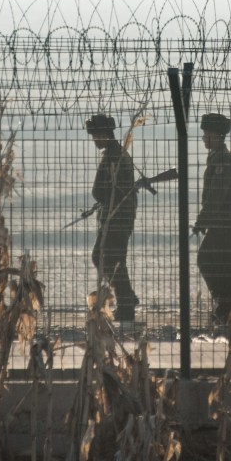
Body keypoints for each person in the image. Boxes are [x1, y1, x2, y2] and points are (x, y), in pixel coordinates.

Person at [193, 113, 231, 326]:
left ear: (216, 135)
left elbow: (217, 195)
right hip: (224, 221)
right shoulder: (221, 156)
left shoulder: (222, 158)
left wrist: (202, 221)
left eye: (206, 134)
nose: (204, 138)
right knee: (225, 265)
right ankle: (230, 308)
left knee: (208, 260)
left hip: (224, 221)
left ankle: (226, 306)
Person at [87, 113, 139, 322]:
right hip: (113, 216)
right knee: (107, 258)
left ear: (106, 135)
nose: (95, 140)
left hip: (118, 218)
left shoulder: (115, 156)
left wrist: (104, 199)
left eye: (97, 135)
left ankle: (126, 303)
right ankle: (127, 299)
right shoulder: (114, 154)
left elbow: (101, 190)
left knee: (111, 259)